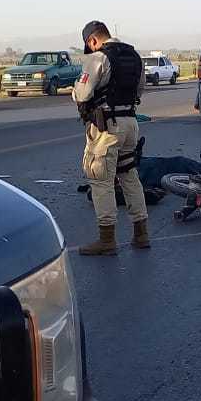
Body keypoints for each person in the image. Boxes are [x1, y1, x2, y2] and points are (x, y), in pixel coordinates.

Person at [73, 20, 149, 256]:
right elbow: (140, 90)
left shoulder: (98, 58)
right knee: (129, 175)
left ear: (92, 40)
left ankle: (107, 239)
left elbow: (83, 93)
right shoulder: (134, 56)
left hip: (107, 128)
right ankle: (141, 234)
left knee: (100, 180)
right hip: (130, 123)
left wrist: (77, 91)